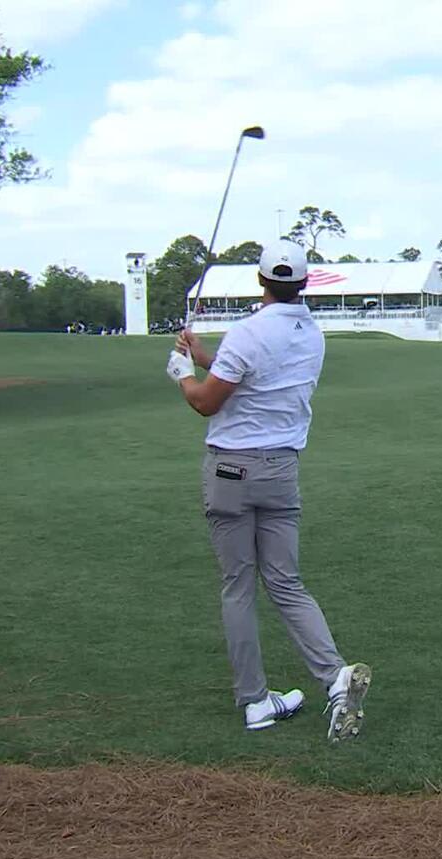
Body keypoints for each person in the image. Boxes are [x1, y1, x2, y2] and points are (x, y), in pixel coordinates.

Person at [171, 239, 370, 739]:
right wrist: (205, 355)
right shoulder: (311, 335)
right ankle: (334, 677)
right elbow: (248, 378)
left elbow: (206, 403)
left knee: (239, 585)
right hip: (281, 471)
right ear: (303, 283)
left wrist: (182, 373)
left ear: (261, 281)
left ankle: (255, 701)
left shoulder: (246, 333)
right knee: (285, 581)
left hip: (231, 473)